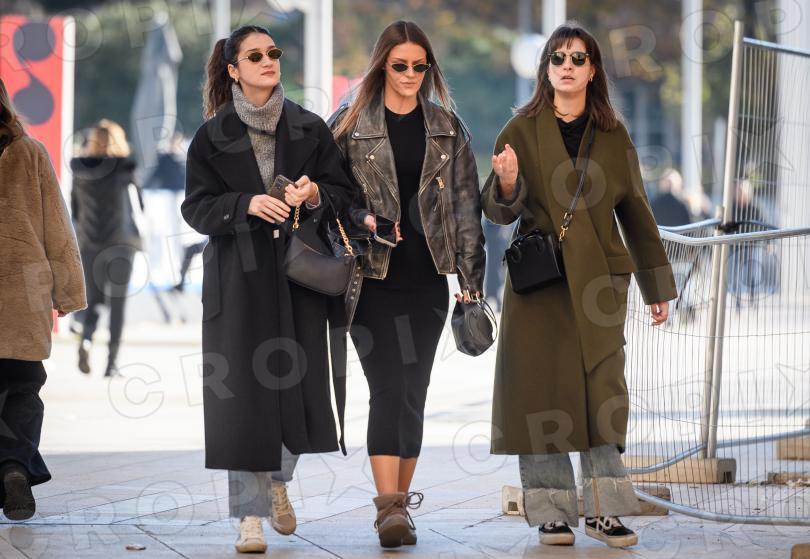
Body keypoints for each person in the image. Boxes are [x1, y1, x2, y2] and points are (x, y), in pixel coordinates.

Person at [482, 23, 677, 549]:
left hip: (599, 286)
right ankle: (551, 513)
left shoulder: (613, 135)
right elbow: (498, 212)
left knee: (602, 394)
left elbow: (637, 211)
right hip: (540, 284)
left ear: (593, 70)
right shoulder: (519, 130)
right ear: (546, 69)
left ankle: (606, 512)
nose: (567, 66)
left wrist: (657, 286)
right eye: (558, 58)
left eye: (578, 58)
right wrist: (506, 183)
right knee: (540, 394)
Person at [181, 25, 355, 554]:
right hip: (237, 281)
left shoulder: (309, 127)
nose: (268, 61)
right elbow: (195, 208)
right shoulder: (210, 136)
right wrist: (245, 204)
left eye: (273, 52)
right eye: (254, 55)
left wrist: (314, 191)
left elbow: (343, 192)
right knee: (243, 400)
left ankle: (279, 481)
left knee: (300, 392)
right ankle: (249, 517)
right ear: (234, 70)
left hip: (300, 278)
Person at [329, 20, 486, 549]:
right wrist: (363, 219)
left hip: (427, 281)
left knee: (414, 392)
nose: (411, 74)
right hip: (370, 278)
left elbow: (466, 208)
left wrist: (471, 280)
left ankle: (399, 506)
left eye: (421, 66)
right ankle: (388, 508)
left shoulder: (447, 127)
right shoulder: (350, 124)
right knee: (387, 389)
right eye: (401, 65)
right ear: (382, 66)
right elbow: (330, 198)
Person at [0, 78, 86, 520]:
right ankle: (14, 465)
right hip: (23, 294)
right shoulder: (30, 152)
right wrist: (69, 290)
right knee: (22, 387)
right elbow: (57, 225)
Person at [71, 119, 142, 377]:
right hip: (121, 244)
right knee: (118, 305)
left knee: (94, 300)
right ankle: (111, 364)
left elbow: (75, 210)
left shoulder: (80, 170)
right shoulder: (126, 169)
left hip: (90, 244)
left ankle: (87, 340)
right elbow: (140, 205)